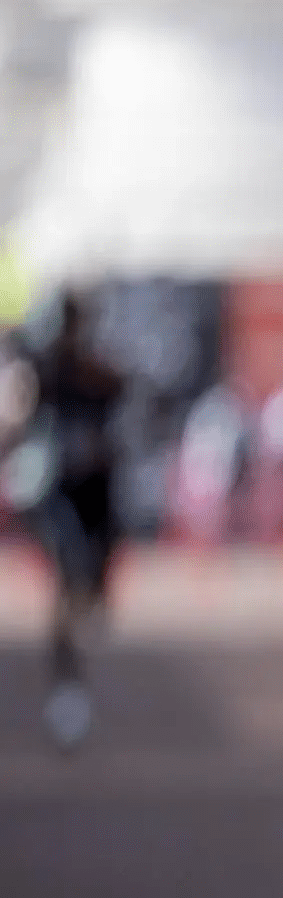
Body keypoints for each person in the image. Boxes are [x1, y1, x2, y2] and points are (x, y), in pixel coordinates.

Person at [1, 290, 125, 751]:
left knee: (86, 582)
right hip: (55, 496)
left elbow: (122, 427)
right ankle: (67, 690)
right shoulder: (43, 374)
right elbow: (16, 421)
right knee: (66, 576)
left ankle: (88, 604)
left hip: (94, 498)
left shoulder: (102, 378)